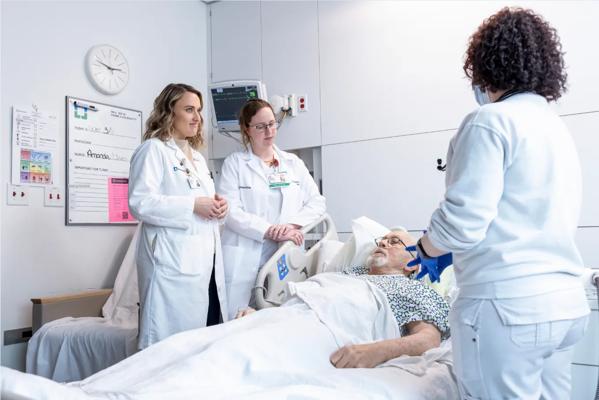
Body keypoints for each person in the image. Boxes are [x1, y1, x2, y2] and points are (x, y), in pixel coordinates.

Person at [408, 8, 590, 399]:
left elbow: (463, 221)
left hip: (508, 309)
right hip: (565, 304)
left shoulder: (488, 121)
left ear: (485, 64)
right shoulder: (555, 127)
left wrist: (426, 248)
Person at [238, 229, 450, 368]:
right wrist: (264, 314)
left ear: (412, 264)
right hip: (286, 320)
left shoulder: (414, 290)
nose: (384, 242)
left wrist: (376, 351)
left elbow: (428, 339)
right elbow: (306, 302)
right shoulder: (343, 275)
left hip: (327, 333)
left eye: (394, 242)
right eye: (382, 239)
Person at [128, 83, 229, 349]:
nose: (197, 117)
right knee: (166, 346)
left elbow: (203, 203)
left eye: (198, 110)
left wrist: (218, 208)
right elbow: (140, 203)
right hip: (171, 267)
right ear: (168, 111)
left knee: (200, 343)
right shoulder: (153, 150)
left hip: (204, 265)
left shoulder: (196, 158)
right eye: (188, 109)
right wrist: (193, 205)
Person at [218, 99, 326, 319]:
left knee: (278, 320)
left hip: (284, 252)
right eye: (260, 126)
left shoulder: (292, 163)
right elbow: (231, 212)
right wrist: (269, 230)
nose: (269, 131)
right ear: (246, 129)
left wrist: (288, 227)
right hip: (245, 255)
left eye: (272, 124)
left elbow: (317, 202)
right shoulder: (235, 164)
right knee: (237, 322)